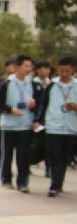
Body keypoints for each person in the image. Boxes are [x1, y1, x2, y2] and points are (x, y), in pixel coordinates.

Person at [0, 54, 42, 193]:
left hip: (26, 124)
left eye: (30, 66)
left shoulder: (33, 84)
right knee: (7, 154)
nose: (29, 69)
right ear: (18, 66)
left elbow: (39, 105)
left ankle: (23, 182)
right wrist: (10, 110)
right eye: (26, 66)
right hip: (8, 125)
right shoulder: (6, 83)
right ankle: (6, 179)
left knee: (24, 155)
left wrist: (34, 108)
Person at [35, 56, 77, 196]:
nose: (64, 74)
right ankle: (54, 185)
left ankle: (59, 183)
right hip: (54, 126)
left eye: (67, 71)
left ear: (72, 70)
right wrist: (38, 121)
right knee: (54, 156)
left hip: (71, 128)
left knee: (65, 157)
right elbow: (43, 105)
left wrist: (75, 107)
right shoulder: (52, 85)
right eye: (61, 71)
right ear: (57, 70)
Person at [0, 58, 17, 168]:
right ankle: (0, 161)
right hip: (1, 113)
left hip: (14, 114)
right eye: (11, 66)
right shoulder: (1, 81)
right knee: (2, 139)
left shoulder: (16, 81)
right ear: (6, 67)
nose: (13, 68)